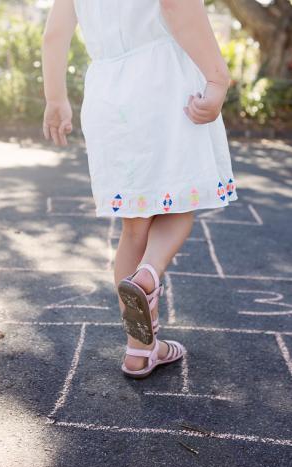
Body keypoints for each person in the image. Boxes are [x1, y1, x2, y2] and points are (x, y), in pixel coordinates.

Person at [42, 0, 238, 379]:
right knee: (180, 200)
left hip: (108, 93)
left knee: (134, 226)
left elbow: (54, 34)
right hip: (164, 83)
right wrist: (217, 78)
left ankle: (140, 350)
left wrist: (55, 99)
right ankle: (149, 271)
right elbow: (175, 5)